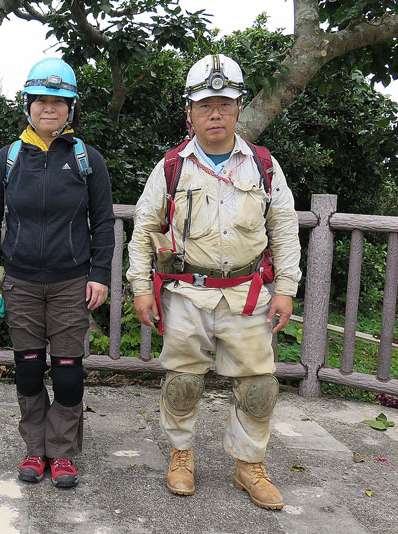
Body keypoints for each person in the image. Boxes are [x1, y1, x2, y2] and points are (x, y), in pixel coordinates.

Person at [126, 54, 301, 510]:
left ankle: (249, 466)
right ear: (190, 112)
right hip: (187, 291)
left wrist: (286, 288)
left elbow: (283, 228)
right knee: (182, 381)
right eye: (206, 105)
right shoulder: (171, 167)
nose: (216, 113)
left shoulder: (262, 165)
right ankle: (181, 455)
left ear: (239, 107)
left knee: (259, 387)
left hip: (248, 294)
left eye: (224, 103)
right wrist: (141, 287)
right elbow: (144, 229)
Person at [0, 58, 115, 488]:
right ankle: (35, 449)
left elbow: (104, 221)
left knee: (70, 371)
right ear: (28, 105)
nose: (48, 108)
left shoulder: (86, 158)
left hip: (72, 281)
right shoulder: (9, 158)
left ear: (71, 107)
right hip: (19, 282)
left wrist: (100, 274)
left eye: (59, 101)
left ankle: (64, 452)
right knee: (30, 368)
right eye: (41, 100)